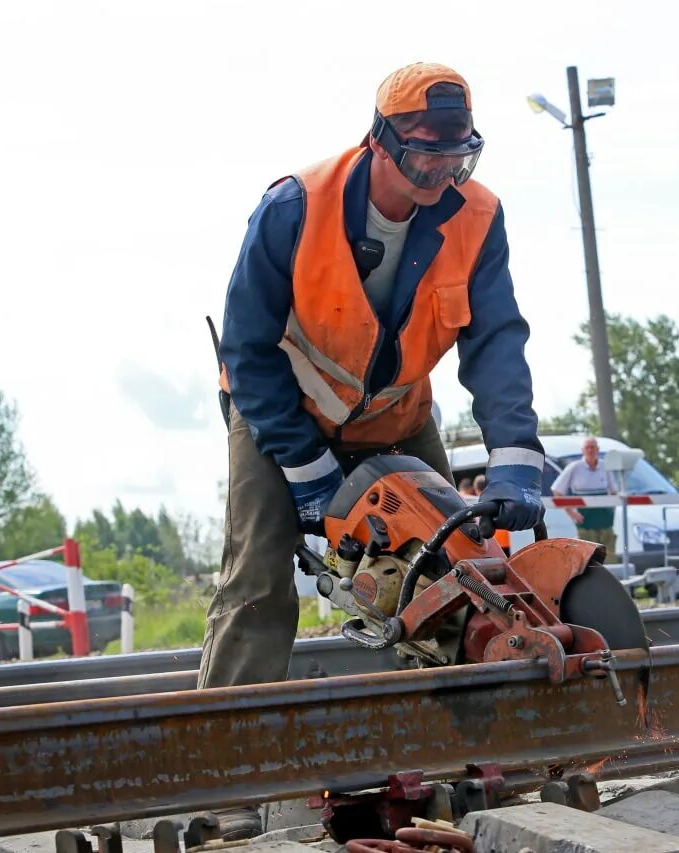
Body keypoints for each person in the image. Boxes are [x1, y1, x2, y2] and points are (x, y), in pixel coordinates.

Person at [203, 62, 545, 839]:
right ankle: (223, 782)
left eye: (456, 156)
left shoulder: (477, 215)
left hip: (394, 411)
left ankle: (471, 761)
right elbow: (251, 350)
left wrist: (516, 451)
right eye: (425, 154)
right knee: (257, 580)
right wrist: (307, 471)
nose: (440, 172)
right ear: (381, 141)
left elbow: (494, 339)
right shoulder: (296, 206)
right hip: (279, 410)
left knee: (461, 569)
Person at [551, 436, 618, 556]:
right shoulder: (575, 467)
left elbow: (614, 492)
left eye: (593, 447)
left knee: (609, 556)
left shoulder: (605, 466)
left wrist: (612, 510)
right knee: (588, 558)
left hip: (605, 521)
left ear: (598, 449)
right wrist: (571, 512)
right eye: (587, 448)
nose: (590, 450)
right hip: (585, 521)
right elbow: (557, 491)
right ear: (583, 450)